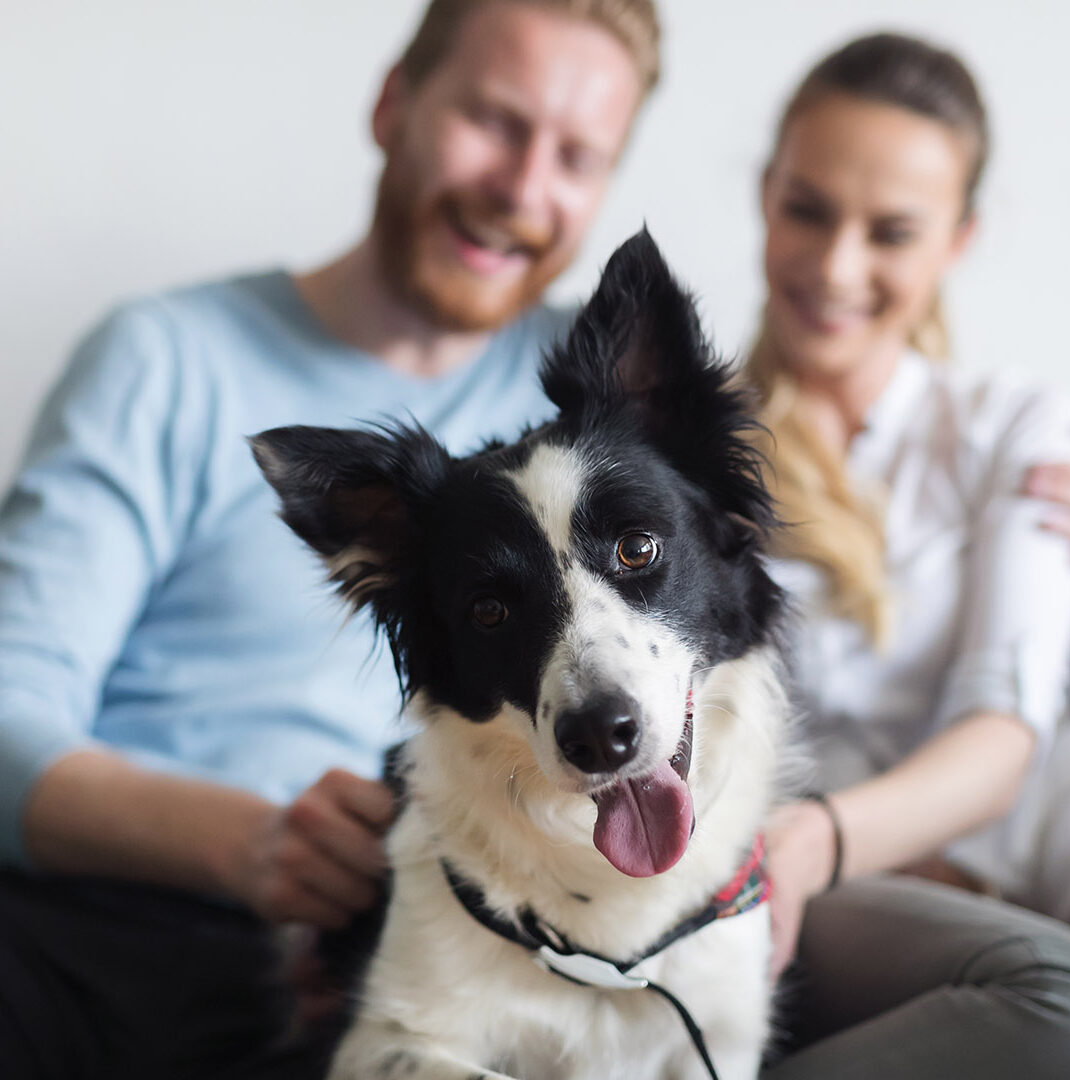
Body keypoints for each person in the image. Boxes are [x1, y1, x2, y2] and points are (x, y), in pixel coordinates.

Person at [0, 2, 658, 1076]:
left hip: (430, 960)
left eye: (578, 157)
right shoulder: (165, 359)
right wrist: (248, 845)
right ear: (395, 103)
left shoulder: (601, 405)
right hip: (103, 929)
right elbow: (6, 716)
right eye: (495, 121)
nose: (523, 188)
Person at [743, 32, 1070, 1078]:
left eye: (891, 232)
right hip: (795, 882)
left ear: (958, 240)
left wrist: (822, 836)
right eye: (807, 210)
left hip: (952, 863)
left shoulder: (1010, 425)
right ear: (766, 193)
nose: (836, 267)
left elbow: (1004, 734)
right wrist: (805, 849)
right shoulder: (675, 453)